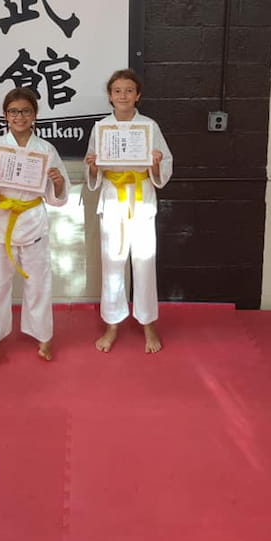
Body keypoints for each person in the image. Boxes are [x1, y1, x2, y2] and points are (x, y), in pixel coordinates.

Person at [0, 88, 70, 365]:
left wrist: (58, 181)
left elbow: (57, 197)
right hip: (3, 223)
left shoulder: (46, 150)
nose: (19, 116)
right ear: (5, 116)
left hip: (33, 221)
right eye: (13, 111)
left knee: (38, 284)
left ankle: (43, 337)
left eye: (26, 111)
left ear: (35, 115)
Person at [84, 69, 172, 354]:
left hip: (142, 196)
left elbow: (165, 163)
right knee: (112, 261)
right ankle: (112, 323)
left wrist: (156, 163)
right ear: (110, 96)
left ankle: (148, 323)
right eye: (117, 91)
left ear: (138, 95)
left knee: (145, 261)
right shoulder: (101, 128)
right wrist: (93, 166)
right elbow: (93, 171)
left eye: (129, 90)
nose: (123, 95)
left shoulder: (149, 126)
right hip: (113, 197)